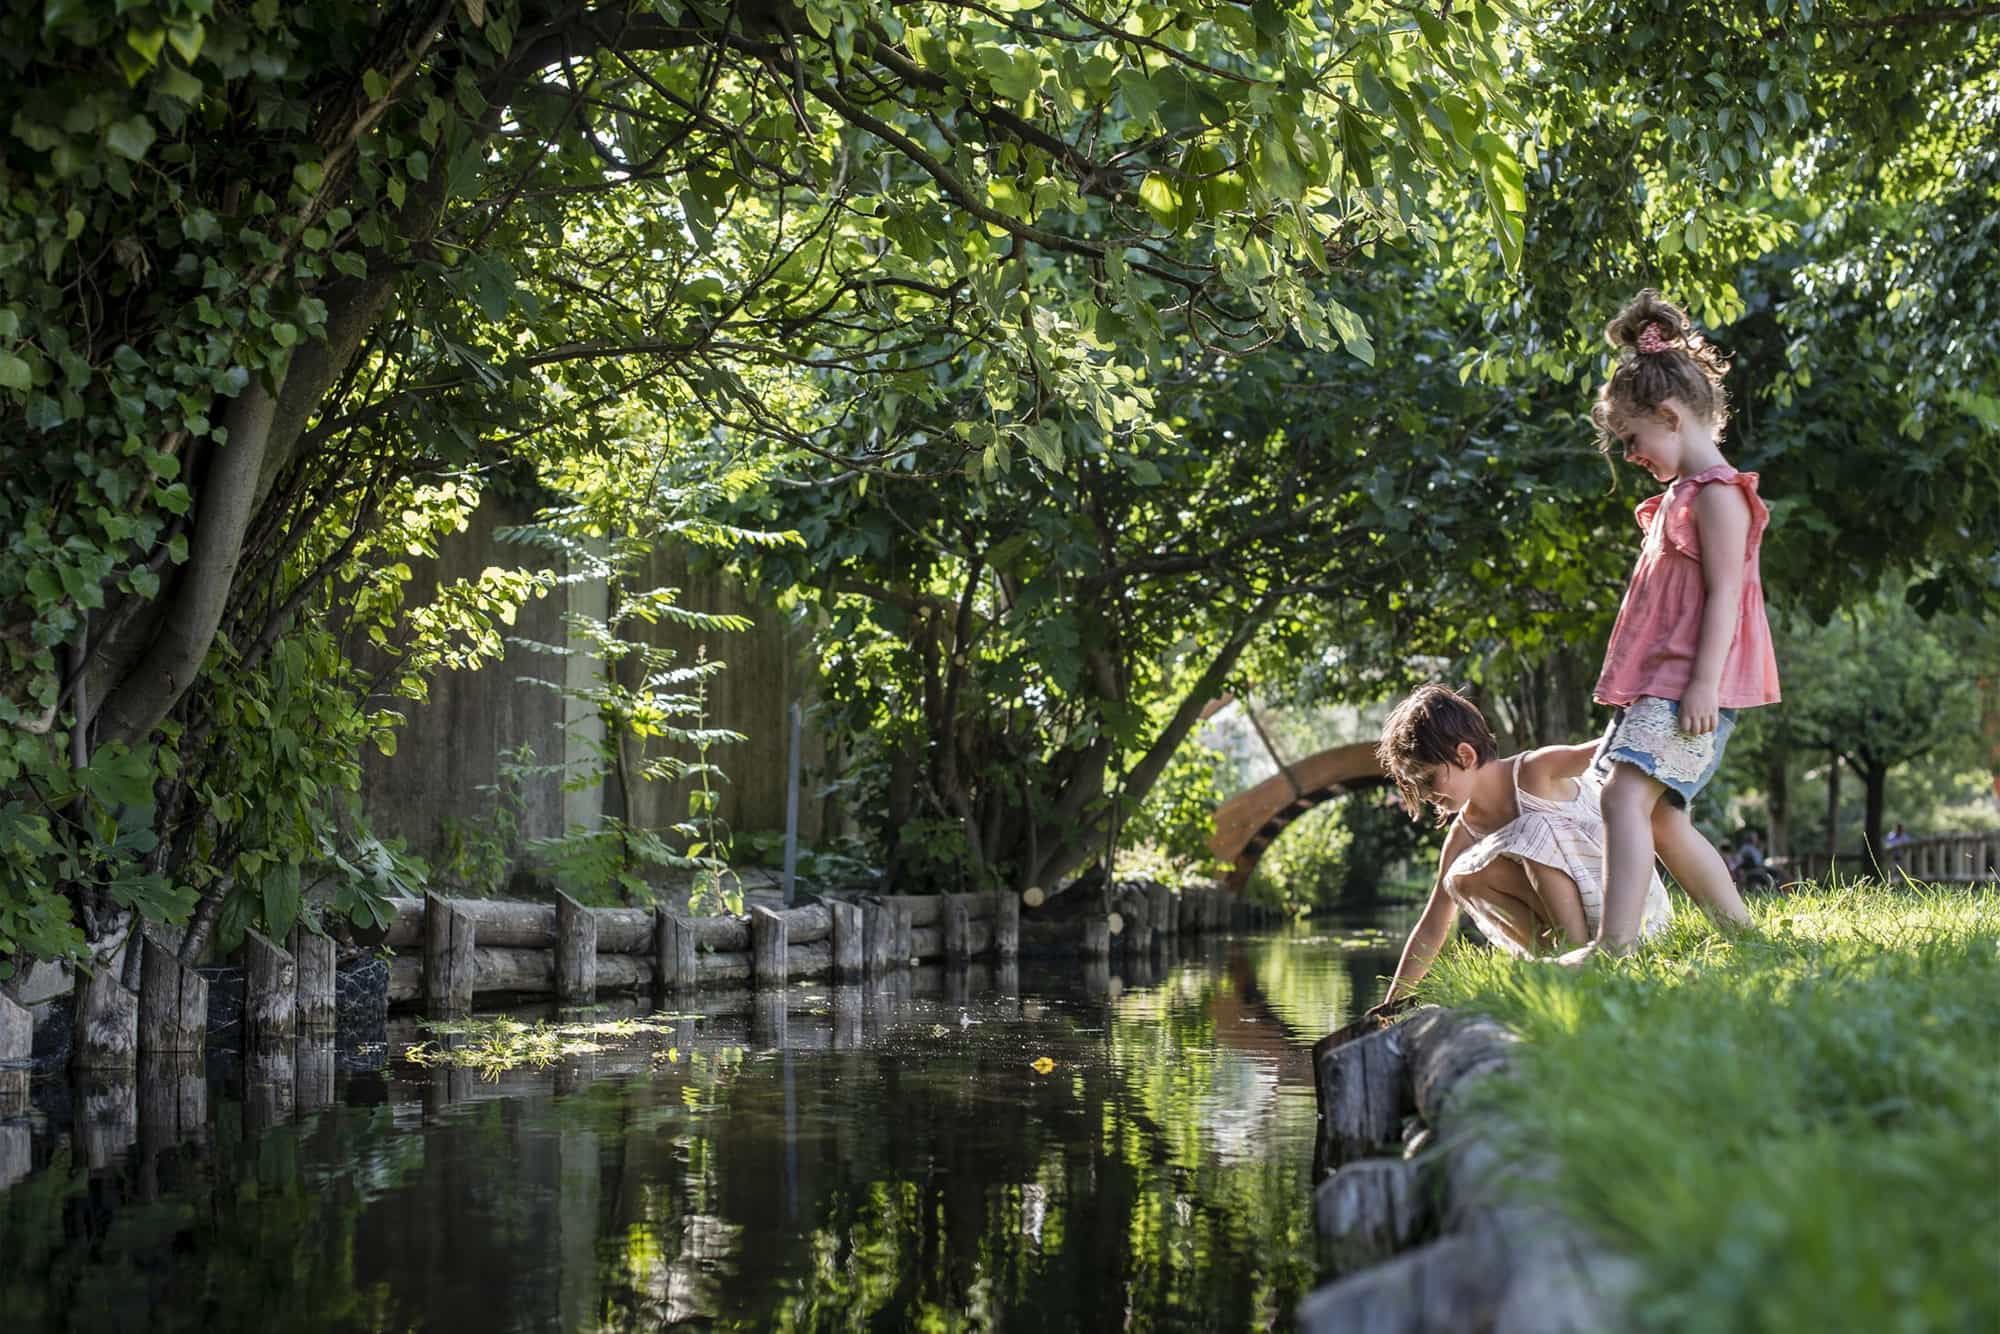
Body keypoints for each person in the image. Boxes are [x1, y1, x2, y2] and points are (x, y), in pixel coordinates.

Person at [1562, 291, 1782, 963]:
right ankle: (1746, 939)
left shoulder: (1718, 497)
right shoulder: (1681, 499)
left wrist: (1702, 687)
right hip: (1662, 683)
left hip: (1689, 684)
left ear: (1670, 415)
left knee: (1622, 798)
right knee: (1657, 816)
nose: (1629, 455)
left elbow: (1725, 599)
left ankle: (1614, 947)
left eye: (1633, 439)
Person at [1367, 684, 1673, 1014]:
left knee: (1530, 829)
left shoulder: (1534, 771)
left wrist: (1664, 710)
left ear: (1465, 756)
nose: (1426, 795)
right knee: (1459, 879)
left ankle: (1587, 960)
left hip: (1626, 910)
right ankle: (1557, 959)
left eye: (1428, 780)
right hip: (1576, 912)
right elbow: (1433, 925)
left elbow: (1611, 749)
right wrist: (1392, 1005)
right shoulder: (1464, 832)